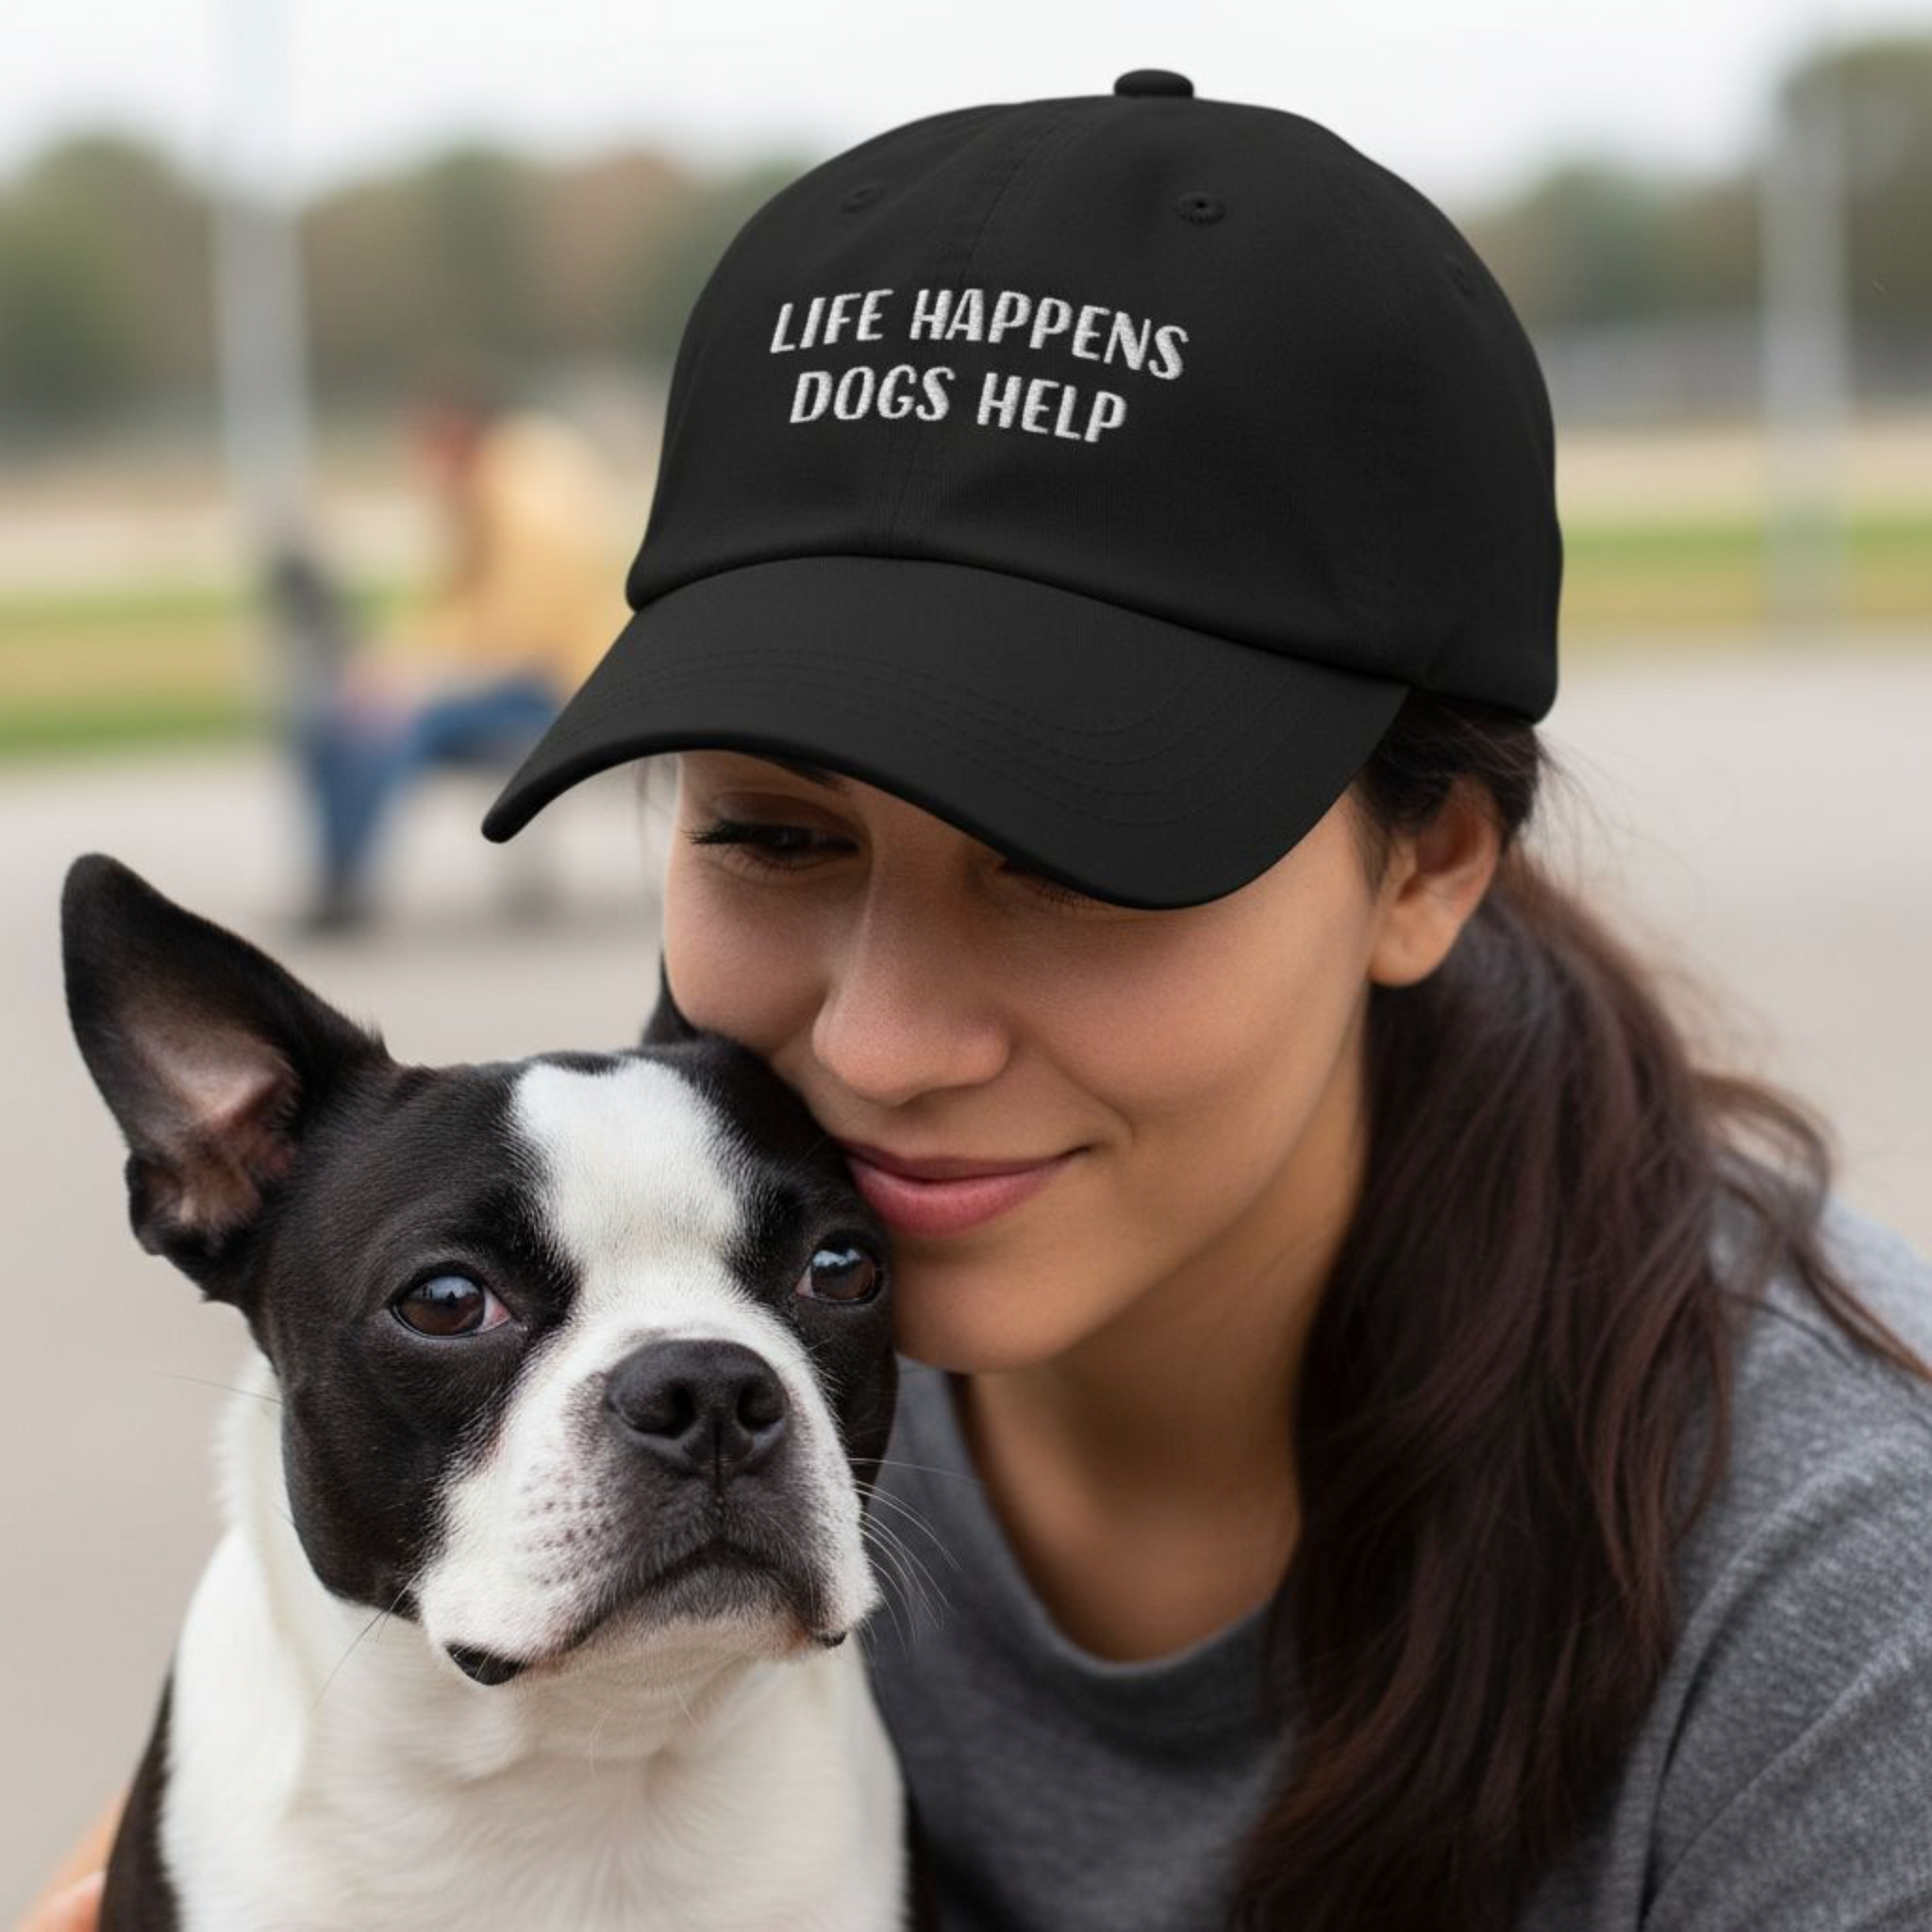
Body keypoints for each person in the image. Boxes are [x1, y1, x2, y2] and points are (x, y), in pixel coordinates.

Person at [23, 70, 1932, 1932]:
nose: (874, 1044)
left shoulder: (1842, 1613)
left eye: (1079, 859)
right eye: (774, 839)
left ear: (1426, 860)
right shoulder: (703, 1269)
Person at [287, 355, 628, 932]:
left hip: (556, 684)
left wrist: (416, 683)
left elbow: (526, 634)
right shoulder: (479, 489)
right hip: (501, 675)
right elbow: (447, 607)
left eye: (425, 442)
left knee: (387, 728)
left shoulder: (524, 491)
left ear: (456, 432)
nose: (418, 461)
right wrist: (390, 668)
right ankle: (334, 874)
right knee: (335, 716)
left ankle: (344, 891)